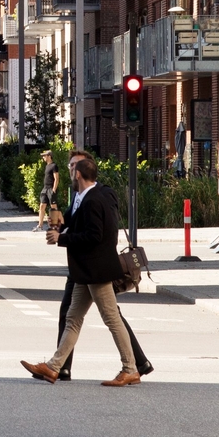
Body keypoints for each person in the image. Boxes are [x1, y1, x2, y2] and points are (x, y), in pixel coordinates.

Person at [22, 153, 141, 386]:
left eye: (73, 169)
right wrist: (60, 224)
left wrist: (61, 238)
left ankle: (130, 368)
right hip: (86, 271)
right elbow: (79, 224)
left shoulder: (94, 200)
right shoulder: (84, 196)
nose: (71, 172)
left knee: (111, 319)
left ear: (78, 174)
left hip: (96, 270)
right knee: (73, 319)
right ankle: (54, 367)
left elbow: (95, 236)